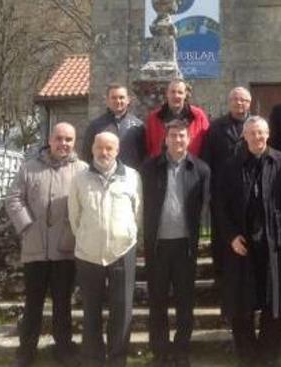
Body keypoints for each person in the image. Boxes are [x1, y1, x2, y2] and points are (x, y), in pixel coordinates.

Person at [215, 116, 281, 367]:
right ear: (244, 136)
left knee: (274, 303)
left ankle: (268, 356)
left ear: (268, 134)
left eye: (261, 133)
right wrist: (230, 237)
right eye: (252, 133)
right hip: (242, 244)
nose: (257, 137)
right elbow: (220, 206)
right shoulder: (230, 166)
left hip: (274, 243)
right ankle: (247, 356)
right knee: (241, 303)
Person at [5, 122, 87, 367]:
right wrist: (27, 227)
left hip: (65, 249)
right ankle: (26, 352)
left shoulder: (82, 170)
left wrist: (76, 233)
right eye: (59, 138)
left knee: (63, 304)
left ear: (74, 142)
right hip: (36, 248)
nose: (64, 144)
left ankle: (64, 350)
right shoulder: (29, 168)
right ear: (50, 140)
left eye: (69, 139)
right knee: (33, 304)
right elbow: (13, 199)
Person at [140, 120, 211, 367]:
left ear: (189, 139)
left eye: (182, 136)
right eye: (173, 136)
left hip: (185, 246)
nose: (178, 140)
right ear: (165, 138)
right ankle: (160, 352)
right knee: (157, 300)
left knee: (185, 301)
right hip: (158, 245)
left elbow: (205, 205)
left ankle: (181, 351)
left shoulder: (200, 169)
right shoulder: (149, 168)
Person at [68, 132, 142, 367]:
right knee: (91, 308)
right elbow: (74, 216)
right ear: (92, 149)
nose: (104, 153)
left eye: (110, 148)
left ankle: (117, 358)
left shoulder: (132, 177)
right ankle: (93, 358)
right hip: (88, 253)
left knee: (122, 310)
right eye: (100, 148)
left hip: (123, 251)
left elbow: (138, 213)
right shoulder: (80, 179)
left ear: (117, 151)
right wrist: (88, 236)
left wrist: (128, 236)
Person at [203, 86, 252, 282]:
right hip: (223, 194)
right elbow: (207, 160)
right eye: (235, 100)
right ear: (229, 102)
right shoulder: (216, 127)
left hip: (251, 193)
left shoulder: (258, 125)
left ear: (249, 103)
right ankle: (223, 288)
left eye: (244, 100)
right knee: (223, 243)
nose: (239, 103)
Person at [81, 83, 145, 169]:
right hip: (102, 177)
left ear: (128, 100)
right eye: (114, 98)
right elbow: (86, 154)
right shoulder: (95, 126)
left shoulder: (138, 125)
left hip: (130, 177)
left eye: (121, 97)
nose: (118, 101)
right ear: (107, 100)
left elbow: (144, 154)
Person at [144, 78, 210, 159]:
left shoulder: (198, 116)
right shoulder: (154, 118)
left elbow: (208, 144)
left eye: (180, 92)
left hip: (191, 166)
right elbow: (148, 147)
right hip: (161, 167)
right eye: (173, 92)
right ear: (167, 94)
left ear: (185, 94)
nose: (176, 96)